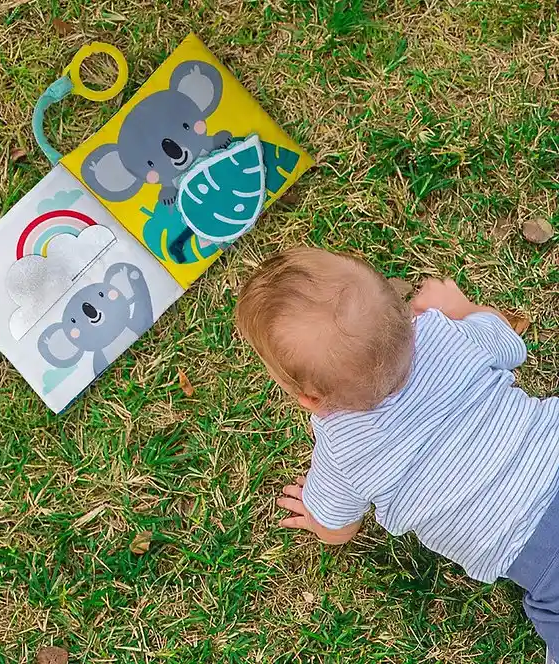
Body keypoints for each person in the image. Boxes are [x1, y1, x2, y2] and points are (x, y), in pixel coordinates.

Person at [235, 247, 559, 664]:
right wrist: (463, 308)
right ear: (408, 316)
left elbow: (337, 529)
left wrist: (317, 516)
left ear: (310, 398)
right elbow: (508, 341)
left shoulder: (343, 448)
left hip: (543, 558)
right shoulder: (445, 334)